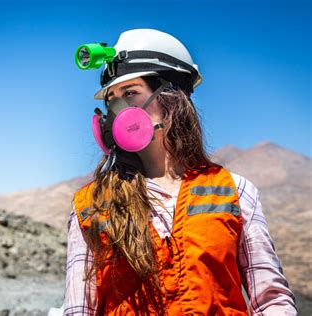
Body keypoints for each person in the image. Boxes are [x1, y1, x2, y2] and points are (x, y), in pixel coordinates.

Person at [63, 29, 297, 315]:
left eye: (131, 93)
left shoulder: (236, 191)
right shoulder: (90, 205)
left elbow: (272, 301)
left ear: (173, 98)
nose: (117, 110)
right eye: (111, 99)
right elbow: (78, 309)